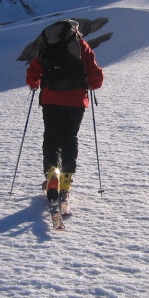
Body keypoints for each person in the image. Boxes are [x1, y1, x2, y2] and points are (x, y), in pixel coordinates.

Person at [26, 19, 104, 209]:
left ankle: (52, 174)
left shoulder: (48, 46)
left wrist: (35, 84)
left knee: (52, 138)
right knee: (70, 138)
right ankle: (66, 184)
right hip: (76, 100)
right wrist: (91, 84)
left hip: (51, 99)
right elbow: (96, 77)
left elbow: (33, 72)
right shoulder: (80, 45)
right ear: (74, 30)